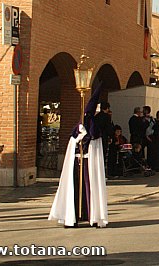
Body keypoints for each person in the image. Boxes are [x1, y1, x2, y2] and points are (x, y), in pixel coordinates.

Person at [49, 84, 108, 228]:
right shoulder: (77, 130)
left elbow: (94, 144)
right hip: (76, 163)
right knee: (74, 188)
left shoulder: (95, 131)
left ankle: (91, 215)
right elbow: (73, 144)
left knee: (89, 187)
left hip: (89, 163)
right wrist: (78, 138)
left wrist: (86, 137)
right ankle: (72, 216)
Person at [94, 101, 114, 173]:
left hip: (97, 137)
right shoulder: (107, 117)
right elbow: (108, 128)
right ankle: (102, 172)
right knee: (103, 154)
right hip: (104, 137)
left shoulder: (96, 116)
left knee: (97, 154)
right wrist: (111, 136)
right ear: (107, 108)